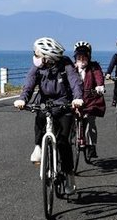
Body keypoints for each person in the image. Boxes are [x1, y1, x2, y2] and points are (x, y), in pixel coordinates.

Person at [13, 37, 84, 187]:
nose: (36, 57)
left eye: (38, 54)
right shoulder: (37, 68)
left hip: (64, 105)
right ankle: (38, 146)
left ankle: (69, 175)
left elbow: (75, 82)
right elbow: (29, 83)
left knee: (63, 142)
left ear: (48, 57)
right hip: (45, 104)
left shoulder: (65, 65)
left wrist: (77, 98)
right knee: (39, 118)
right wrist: (23, 99)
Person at [71, 41, 106, 159]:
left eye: (84, 56)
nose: (81, 59)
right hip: (74, 100)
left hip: (90, 100)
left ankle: (91, 146)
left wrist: (99, 86)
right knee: (67, 119)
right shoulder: (71, 68)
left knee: (90, 121)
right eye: (78, 57)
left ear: (88, 57)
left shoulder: (94, 66)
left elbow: (98, 76)